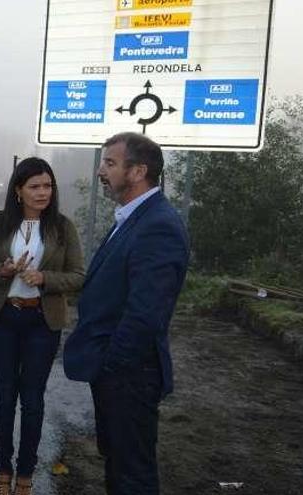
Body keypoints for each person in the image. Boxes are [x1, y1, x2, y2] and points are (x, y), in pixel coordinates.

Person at [63, 132, 189, 495]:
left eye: (110, 163)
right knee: (118, 462)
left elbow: (146, 313)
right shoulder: (134, 217)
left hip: (130, 375)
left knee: (132, 472)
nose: (101, 171)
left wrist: (111, 364)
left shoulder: (158, 225)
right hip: (119, 374)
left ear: (138, 172)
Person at [0, 157, 85, 495]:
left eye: (47, 186)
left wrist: (45, 278)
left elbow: (78, 275)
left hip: (41, 321)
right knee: (4, 396)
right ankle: (2, 470)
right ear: (18, 190)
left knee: (32, 399)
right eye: (34, 186)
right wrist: (2, 272)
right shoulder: (3, 222)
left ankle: (25, 474)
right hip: (3, 318)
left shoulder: (63, 227)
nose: (42, 192)